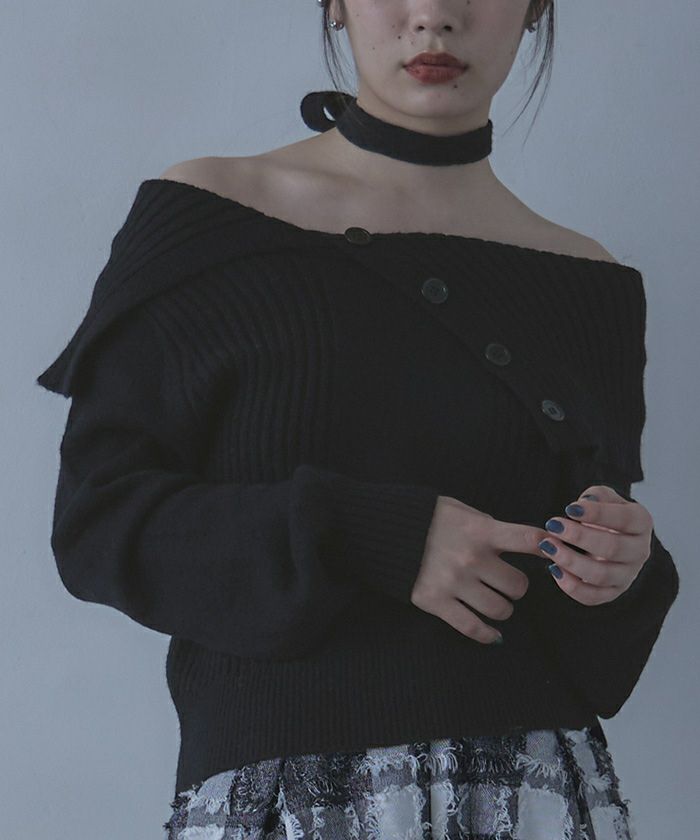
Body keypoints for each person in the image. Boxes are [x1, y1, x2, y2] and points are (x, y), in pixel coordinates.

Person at [35, 1, 680, 838]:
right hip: (289, 798)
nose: (435, 16)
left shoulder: (588, 281)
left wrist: (622, 571)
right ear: (336, 5)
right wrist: (374, 535)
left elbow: (590, 653)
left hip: (531, 793)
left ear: (534, 9)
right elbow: (97, 525)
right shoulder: (213, 219)